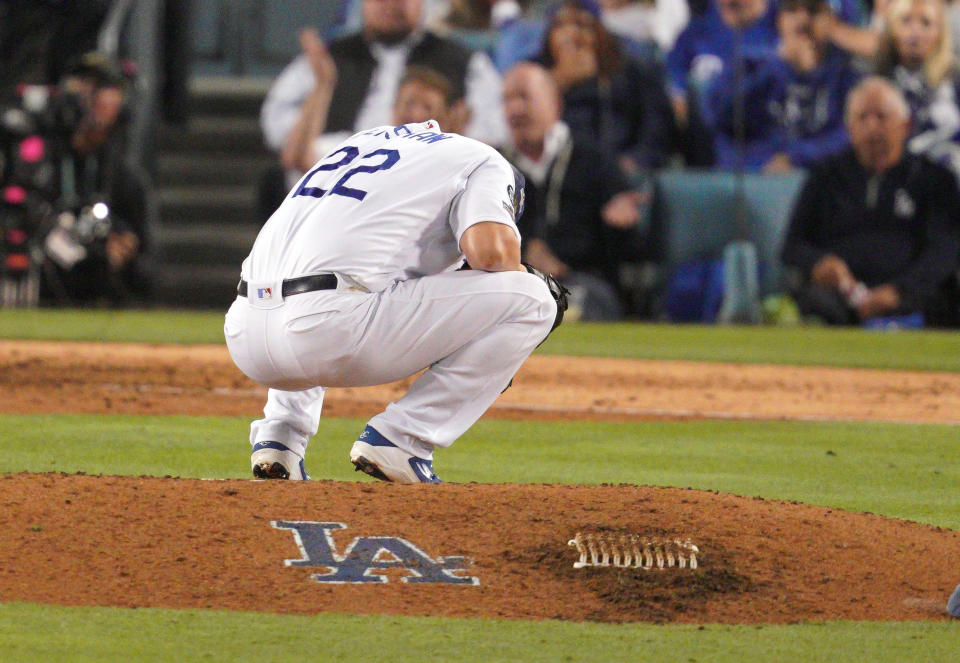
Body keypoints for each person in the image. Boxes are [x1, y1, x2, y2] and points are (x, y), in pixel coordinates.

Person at [225, 119, 568, 484]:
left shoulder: (361, 146)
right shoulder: (485, 160)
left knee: (333, 277)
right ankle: (404, 439)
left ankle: (279, 439)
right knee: (535, 297)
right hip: (329, 331)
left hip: (244, 333)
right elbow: (490, 254)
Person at [781, 76, 960, 326]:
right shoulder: (825, 176)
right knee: (815, 302)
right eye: (862, 117)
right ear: (849, 128)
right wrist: (819, 264)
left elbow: (945, 252)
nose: (872, 127)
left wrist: (898, 291)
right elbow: (792, 246)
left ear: (905, 125)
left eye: (881, 117)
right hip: (842, 295)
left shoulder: (935, 179)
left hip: (914, 293)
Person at [260, 0, 507, 174]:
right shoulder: (329, 57)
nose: (390, 5)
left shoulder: (462, 60)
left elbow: (493, 125)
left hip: (428, 170)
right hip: (340, 171)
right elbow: (282, 130)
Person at [500, 62, 648, 320]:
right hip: (511, 282)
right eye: (507, 100)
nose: (515, 109)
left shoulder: (595, 160)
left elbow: (631, 250)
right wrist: (526, 256)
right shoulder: (493, 164)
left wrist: (621, 223)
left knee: (579, 305)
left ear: (555, 103)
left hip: (580, 282)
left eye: (524, 97)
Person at [700, 0, 860, 171]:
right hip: (752, 177)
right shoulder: (748, 63)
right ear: (779, 19)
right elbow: (720, 118)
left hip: (816, 177)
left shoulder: (847, 76)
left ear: (830, 21)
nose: (802, 19)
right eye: (792, 9)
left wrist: (796, 158)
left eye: (813, 10)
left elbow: (851, 135)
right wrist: (778, 66)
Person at [532, 0, 674, 174]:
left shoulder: (632, 69)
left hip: (621, 171)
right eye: (560, 26)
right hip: (554, 174)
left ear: (601, 30)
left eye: (582, 24)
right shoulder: (533, 73)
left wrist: (636, 161)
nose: (572, 34)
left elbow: (657, 127)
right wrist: (558, 83)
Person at [283, 64, 469, 173]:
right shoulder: (362, 148)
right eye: (409, 104)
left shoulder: (451, 170)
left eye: (427, 108)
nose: (416, 115)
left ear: (443, 119)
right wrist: (322, 86)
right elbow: (298, 159)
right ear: (393, 109)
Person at [666, 0, 779, 165]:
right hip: (707, 143)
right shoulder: (698, 31)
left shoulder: (785, 24)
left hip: (768, 140)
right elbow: (675, 86)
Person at [874, 0, 960, 183]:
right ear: (891, 30)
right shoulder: (876, 84)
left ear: (940, 32)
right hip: (896, 181)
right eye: (905, 21)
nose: (915, 33)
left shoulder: (955, 77)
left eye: (926, 23)